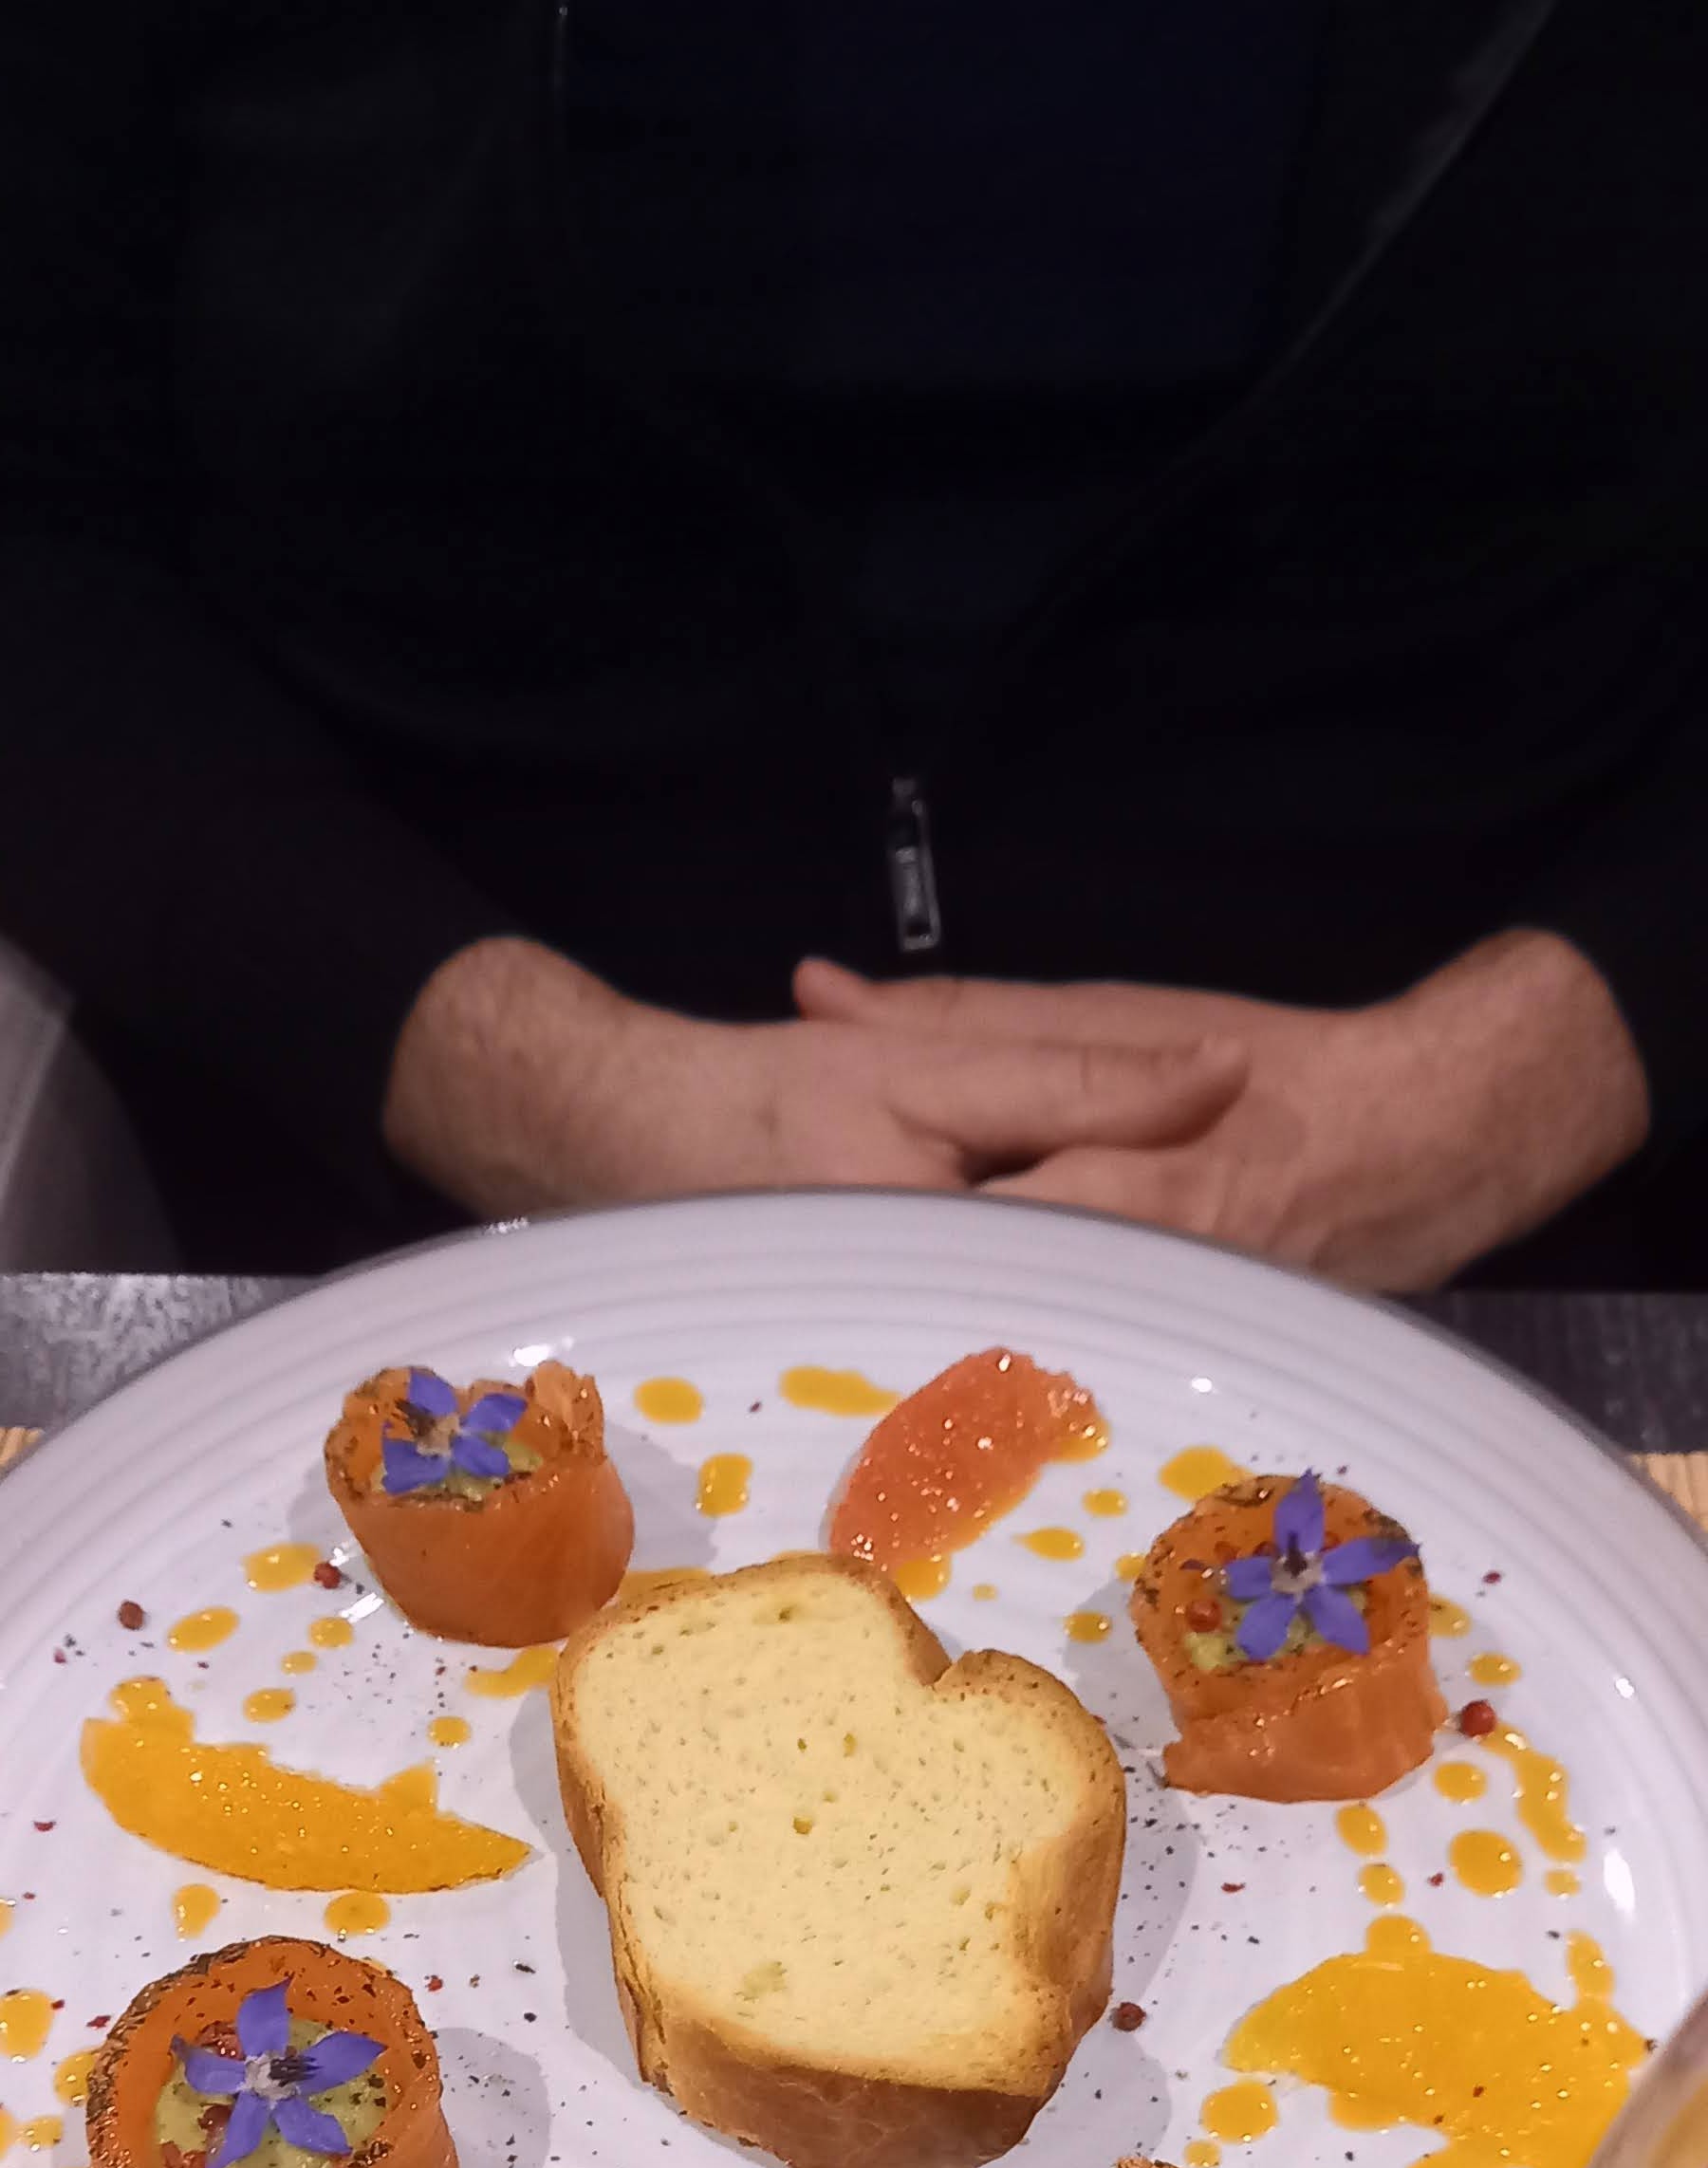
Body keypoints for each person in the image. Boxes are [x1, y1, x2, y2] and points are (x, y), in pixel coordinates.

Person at [0, 2, 1699, 1295]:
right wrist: (535, 1086)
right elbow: (43, 544)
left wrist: (1500, 1096)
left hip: (1525, 1252)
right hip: (420, 1236)